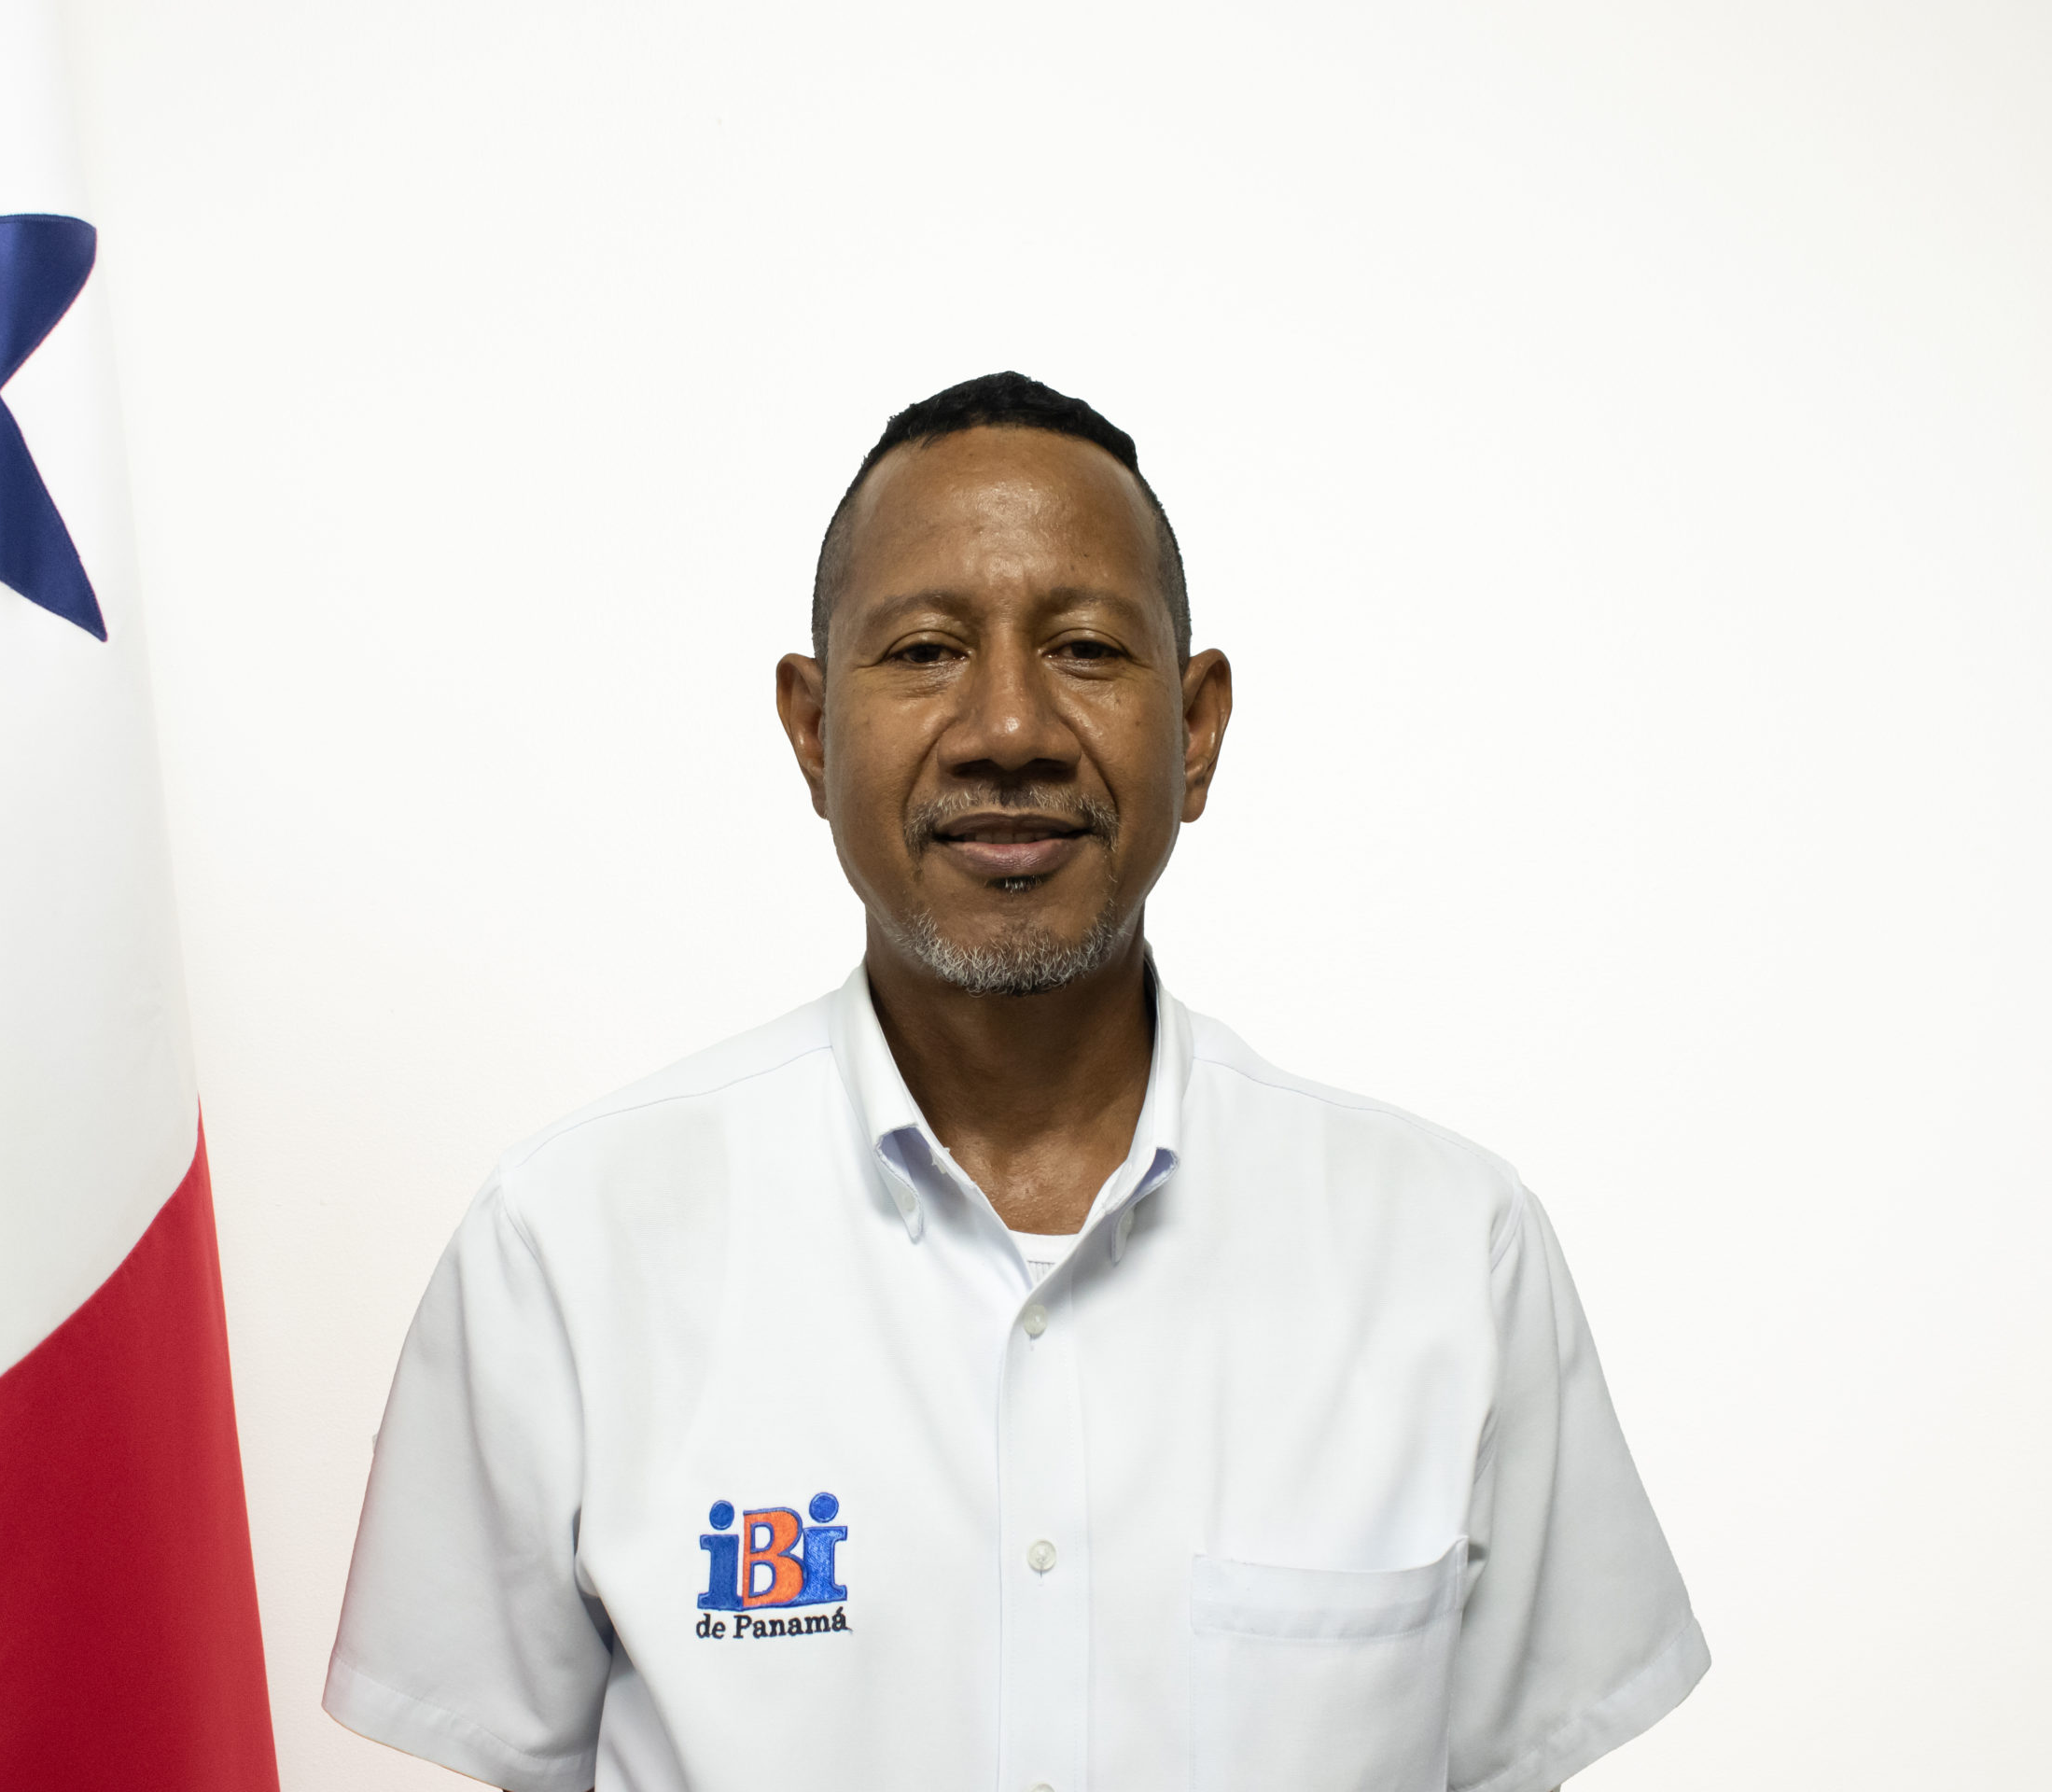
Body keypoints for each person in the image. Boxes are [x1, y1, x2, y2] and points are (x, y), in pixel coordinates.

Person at [324, 371, 1708, 1792]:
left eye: (1087, 649)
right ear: (812, 731)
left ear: (1198, 728)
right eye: (925, 651)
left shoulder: (1451, 1254)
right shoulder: (568, 1246)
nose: (1007, 729)